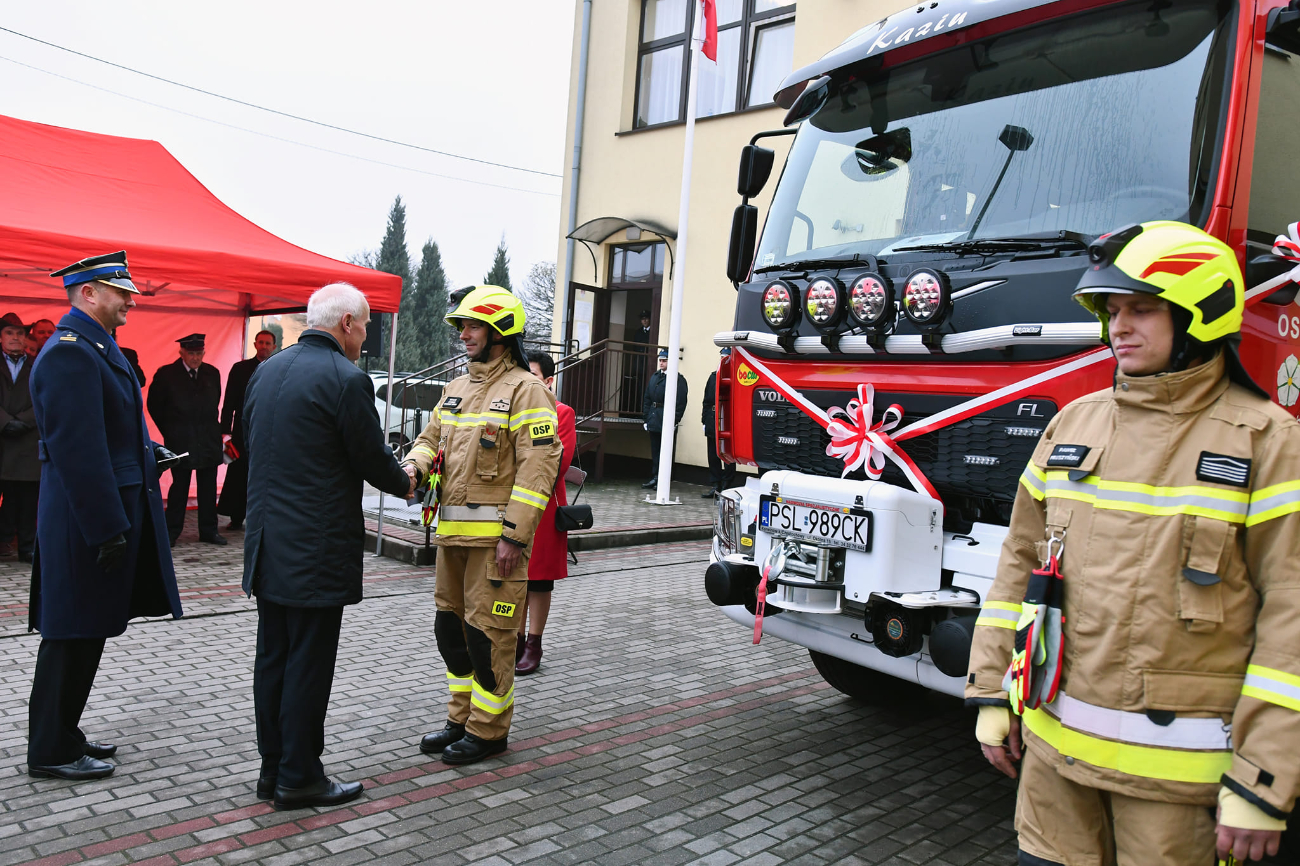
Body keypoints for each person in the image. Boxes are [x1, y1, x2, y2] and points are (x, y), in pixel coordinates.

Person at [966, 222, 1300, 866]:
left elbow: (1292, 617)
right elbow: (1019, 568)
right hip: (1053, 776)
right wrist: (990, 693)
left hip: (1177, 798)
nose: (1121, 326)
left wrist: (1262, 782)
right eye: (1113, 311)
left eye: (1142, 309)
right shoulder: (1074, 423)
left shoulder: (1267, 439)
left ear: (1200, 313)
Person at [242, 283, 413, 810]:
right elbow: (370, 456)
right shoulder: (346, 378)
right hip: (314, 551)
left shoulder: (266, 371)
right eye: (364, 326)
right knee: (308, 666)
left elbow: (252, 441)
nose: (364, 336)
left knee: (273, 660)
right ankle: (300, 777)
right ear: (346, 324)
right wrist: (407, 480)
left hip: (267, 544)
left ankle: (272, 771)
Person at [27, 251, 182, 781]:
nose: (130, 302)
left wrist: (146, 453)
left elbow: (110, 430)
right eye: (122, 292)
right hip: (83, 520)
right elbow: (78, 452)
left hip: (95, 513)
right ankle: (50, 749)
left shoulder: (95, 347)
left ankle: (65, 732)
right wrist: (106, 527)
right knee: (69, 634)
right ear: (89, 293)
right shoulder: (72, 352)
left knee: (87, 629)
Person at [401, 285, 562, 766]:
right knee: (450, 632)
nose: (464, 334)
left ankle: (489, 731)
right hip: (451, 539)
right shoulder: (457, 387)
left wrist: (515, 534)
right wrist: (413, 467)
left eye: (472, 326)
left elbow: (539, 466)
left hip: (496, 546)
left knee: (489, 636)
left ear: (500, 332)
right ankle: (461, 720)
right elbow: (429, 439)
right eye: (462, 327)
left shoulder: (525, 389)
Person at [515, 351, 577, 676]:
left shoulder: (561, 413)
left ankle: (533, 644)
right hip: (512, 506)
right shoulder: (513, 410)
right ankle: (514, 638)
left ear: (549, 381)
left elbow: (557, 464)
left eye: (534, 377)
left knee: (538, 580)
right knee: (513, 577)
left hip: (544, 508)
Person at [148, 334, 225, 546]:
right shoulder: (167, 375)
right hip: (181, 440)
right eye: (191, 353)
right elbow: (154, 405)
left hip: (208, 440)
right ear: (181, 352)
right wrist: (170, 430)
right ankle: (171, 532)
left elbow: (215, 402)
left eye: (199, 353)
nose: (195, 357)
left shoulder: (212, 373)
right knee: (179, 487)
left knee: (208, 488)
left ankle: (209, 531)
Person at [218, 330, 276, 532]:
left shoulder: (279, 369)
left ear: (274, 347)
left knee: (265, 475)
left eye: (268, 343)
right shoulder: (240, 369)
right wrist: (225, 433)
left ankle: (264, 517)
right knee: (238, 473)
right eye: (261, 342)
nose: (264, 346)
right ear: (254, 344)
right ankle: (236, 516)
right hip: (242, 432)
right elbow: (228, 403)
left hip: (269, 432)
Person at [0, 313, 39, 561]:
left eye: (20, 333)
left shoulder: (39, 363)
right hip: (1, 437)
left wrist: (23, 421)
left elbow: (48, 398)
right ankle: (2, 541)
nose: (16, 337)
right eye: (10, 333)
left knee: (28, 498)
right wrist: (5, 422)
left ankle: (27, 546)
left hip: (27, 440)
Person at [641, 348, 687, 489]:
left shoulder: (677, 379)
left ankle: (663, 479)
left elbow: (680, 402)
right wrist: (646, 418)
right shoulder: (655, 377)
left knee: (665, 451)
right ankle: (655, 477)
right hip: (655, 417)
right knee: (655, 450)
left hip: (666, 417)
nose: (661, 363)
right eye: (660, 360)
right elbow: (648, 398)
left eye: (664, 360)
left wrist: (675, 420)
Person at [701, 347, 736, 499]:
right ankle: (716, 485)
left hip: (727, 418)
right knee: (713, 453)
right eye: (722, 357)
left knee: (727, 454)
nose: (723, 360)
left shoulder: (735, 377)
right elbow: (706, 401)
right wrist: (704, 420)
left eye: (726, 357)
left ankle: (728, 485)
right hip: (713, 418)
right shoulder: (713, 377)